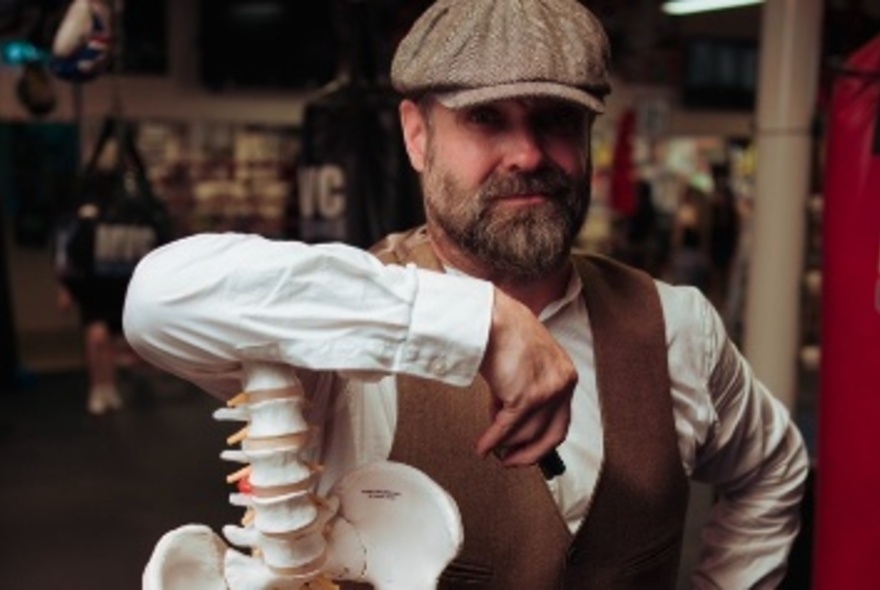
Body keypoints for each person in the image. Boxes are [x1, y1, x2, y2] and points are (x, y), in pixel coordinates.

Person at [123, 0, 808, 588]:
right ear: (417, 136)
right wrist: (480, 323)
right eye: (486, 119)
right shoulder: (343, 336)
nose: (529, 154)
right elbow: (156, 299)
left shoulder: (676, 325)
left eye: (556, 120)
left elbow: (774, 470)